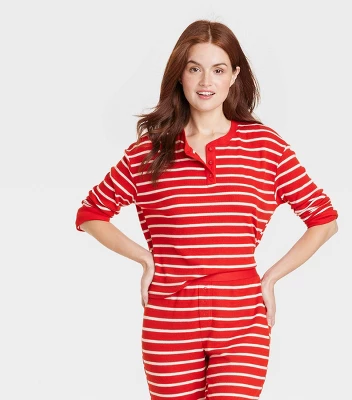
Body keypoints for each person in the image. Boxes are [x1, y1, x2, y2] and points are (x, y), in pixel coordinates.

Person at [75, 19, 338, 400]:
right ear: (179, 74)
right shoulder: (148, 152)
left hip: (242, 319)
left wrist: (270, 279)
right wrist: (145, 259)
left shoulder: (264, 147)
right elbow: (91, 213)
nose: (205, 82)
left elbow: (324, 219)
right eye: (194, 68)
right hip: (169, 320)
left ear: (234, 76)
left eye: (218, 70)